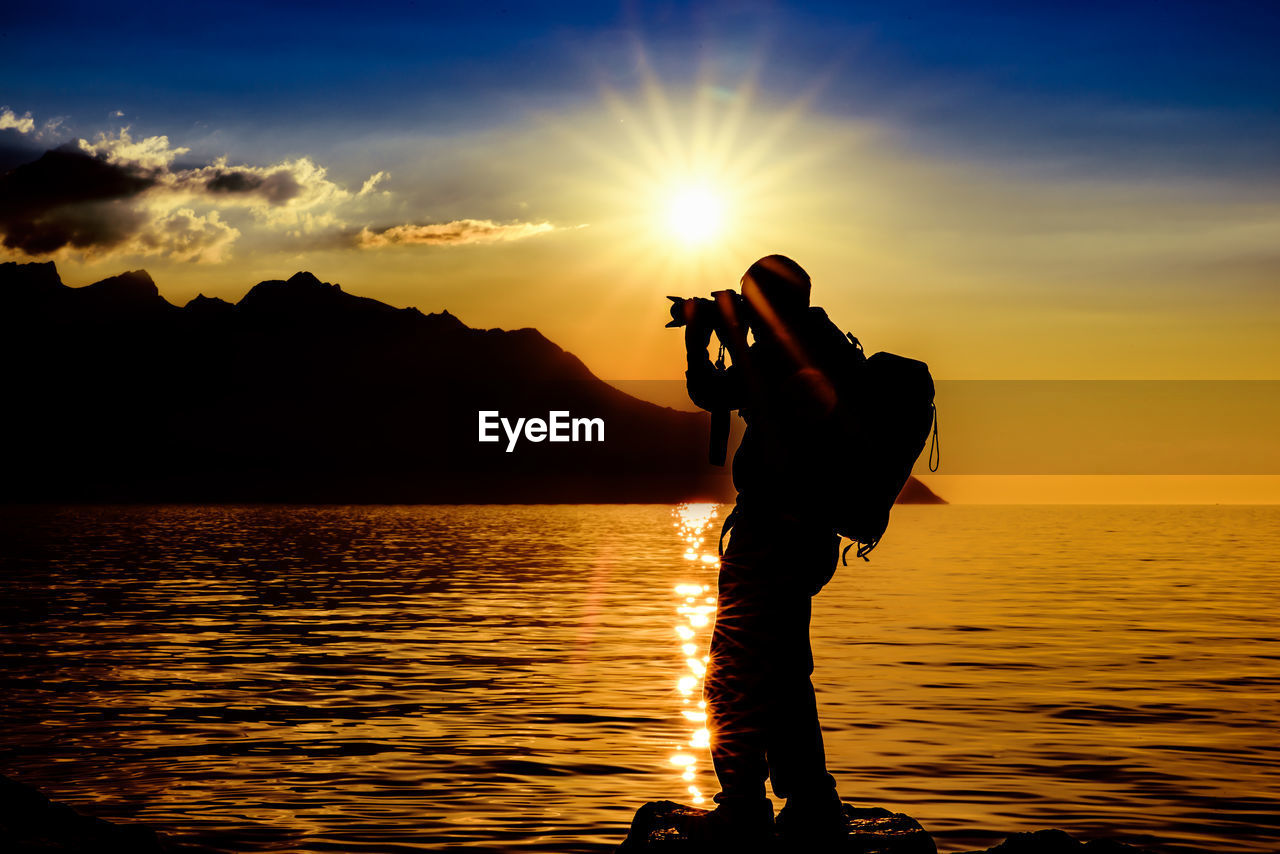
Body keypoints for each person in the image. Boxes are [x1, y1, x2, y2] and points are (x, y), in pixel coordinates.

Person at [682, 254, 851, 844]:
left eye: (753, 300)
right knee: (781, 671)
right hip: (805, 535)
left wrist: (703, 339)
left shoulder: (784, 353)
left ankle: (747, 804)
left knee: (734, 672)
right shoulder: (821, 344)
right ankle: (808, 801)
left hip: (771, 536)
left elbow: (713, 391)